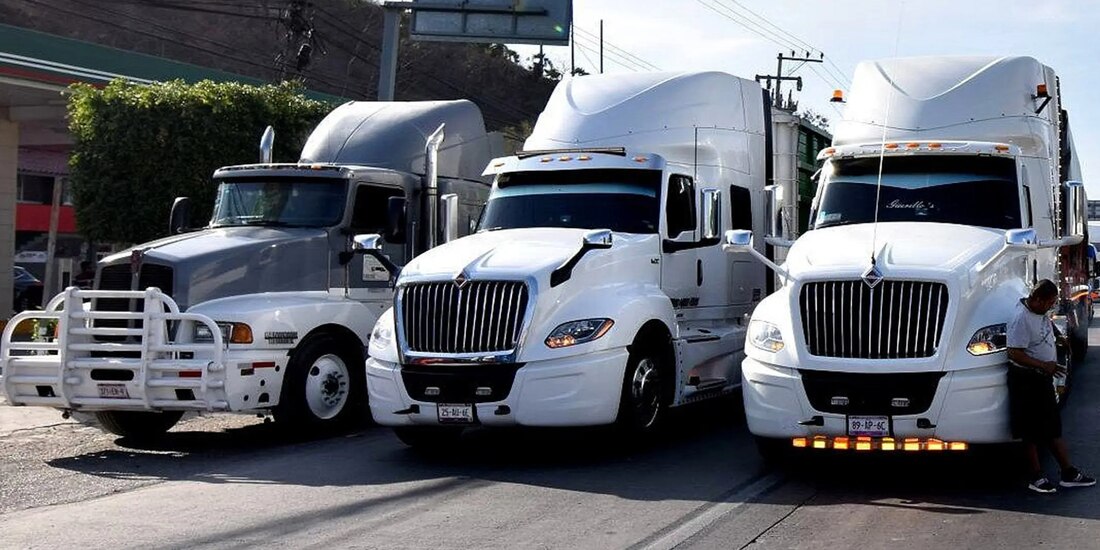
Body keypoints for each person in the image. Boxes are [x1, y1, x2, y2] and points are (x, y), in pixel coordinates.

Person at [1007, 279, 1096, 493]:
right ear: (1037, 299)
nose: (1050, 306)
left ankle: (1068, 473)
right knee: (1029, 430)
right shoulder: (1021, 319)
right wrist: (1042, 365)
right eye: (1049, 302)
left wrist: (1058, 337)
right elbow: (1014, 352)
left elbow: (1046, 324)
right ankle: (1036, 477)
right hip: (1026, 379)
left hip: (1042, 378)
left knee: (1052, 427)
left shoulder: (1039, 312)